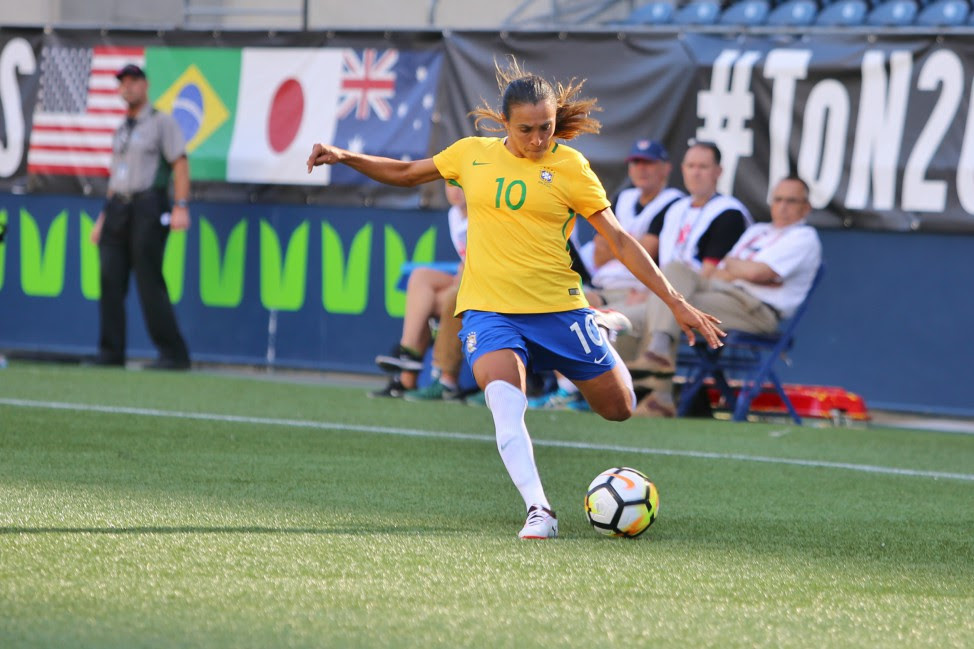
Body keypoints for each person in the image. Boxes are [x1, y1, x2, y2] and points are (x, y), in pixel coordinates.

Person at [307, 59, 724, 539]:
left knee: (620, 407)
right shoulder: (471, 154)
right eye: (526, 130)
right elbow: (404, 173)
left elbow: (622, 241)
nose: (538, 139)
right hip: (490, 310)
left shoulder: (570, 165)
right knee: (506, 405)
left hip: (559, 311)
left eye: (546, 128)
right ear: (504, 124)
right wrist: (345, 156)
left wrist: (674, 302)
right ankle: (539, 510)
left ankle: (600, 326)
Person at [633, 175, 823, 417]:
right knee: (673, 271)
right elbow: (722, 274)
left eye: (791, 201)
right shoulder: (757, 230)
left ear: (806, 207)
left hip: (755, 310)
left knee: (662, 307)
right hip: (721, 293)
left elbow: (757, 272)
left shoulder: (804, 237)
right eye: (778, 199)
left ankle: (658, 391)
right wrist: (742, 269)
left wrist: (738, 267)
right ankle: (639, 378)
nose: (783, 206)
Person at [529, 138, 685, 410]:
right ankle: (558, 387)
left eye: (649, 163)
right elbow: (604, 248)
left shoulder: (673, 204)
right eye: (636, 162)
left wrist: (618, 244)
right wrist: (620, 244)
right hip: (604, 283)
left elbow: (644, 248)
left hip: (638, 289)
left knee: (593, 321)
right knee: (558, 306)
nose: (641, 169)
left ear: (665, 168)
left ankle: (577, 392)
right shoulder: (625, 198)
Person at [88, 64, 191, 370]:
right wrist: (103, 217)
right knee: (109, 278)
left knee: (149, 280)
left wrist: (181, 205)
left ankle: (173, 354)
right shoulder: (121, 130)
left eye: (133, 81)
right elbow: (115, 178)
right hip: (118, 208)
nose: (127, 87)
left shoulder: (161, 123)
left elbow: (180, 164)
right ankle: (110, 352)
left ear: (145, 85)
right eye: (123, 83)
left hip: (148, 205)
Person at [625, 139, 751, 377]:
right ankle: (628, 389)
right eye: (691, 166)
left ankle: (658, 353)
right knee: (619, 318)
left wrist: (661, 295)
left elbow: (709, 273)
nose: (696, 172)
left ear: (718, 171)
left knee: (672, 277)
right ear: (682, 169)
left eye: (703, 167)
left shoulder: (728, 212)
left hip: (708, 294)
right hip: (671, 295)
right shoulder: (675, 208)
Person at [372, 182, 468, 399]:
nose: (454, 191)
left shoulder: (483, 214)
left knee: (436, 301)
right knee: (420, 277)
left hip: (486, 286)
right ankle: (408, 355)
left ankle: (412, 369)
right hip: (466, 280)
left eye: (461, 185)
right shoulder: (454, 215)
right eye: (449, 184)